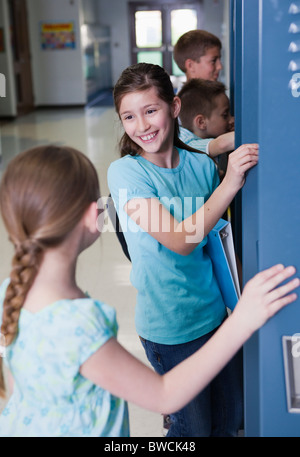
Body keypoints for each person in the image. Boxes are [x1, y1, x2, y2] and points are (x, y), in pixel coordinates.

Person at [0, 146, 298, 438]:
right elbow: (164, 395)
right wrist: (243, 319)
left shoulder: (10, 293)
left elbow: (17, 388)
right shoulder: (79, 324)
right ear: (95, 214)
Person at [106, 62, 253, 437]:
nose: (142, 126)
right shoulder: (126, 173)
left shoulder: (200, 164)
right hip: (169, 330)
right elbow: (181, 240)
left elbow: (204, 147)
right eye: (129, 116)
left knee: (230, 419)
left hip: (214, 317)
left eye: (151, 110)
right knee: (192, 431)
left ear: (173, 107)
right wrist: (230, 182)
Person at [178, 78, 234, 158]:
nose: (232, 120)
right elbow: (221, 144)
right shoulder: (186, 144)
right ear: (201, 122)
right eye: (225, 115)